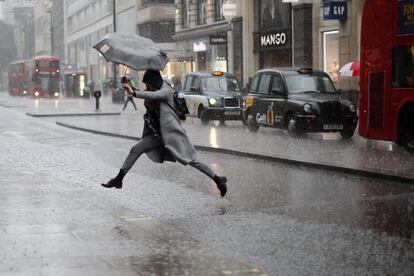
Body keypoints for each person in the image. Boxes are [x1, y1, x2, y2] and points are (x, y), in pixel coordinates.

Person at [101, 70, 228, 197]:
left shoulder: (166, 90)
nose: (147, 88)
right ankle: (118, 179)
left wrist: (133, 92)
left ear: (154, 82)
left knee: (192, 160)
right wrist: (128, 85)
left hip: (171, 135)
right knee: (135, 149)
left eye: (149, 84)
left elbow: (154, 96)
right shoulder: (154, 90)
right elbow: (147, 93)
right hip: (156, 135)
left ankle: (218, 179)